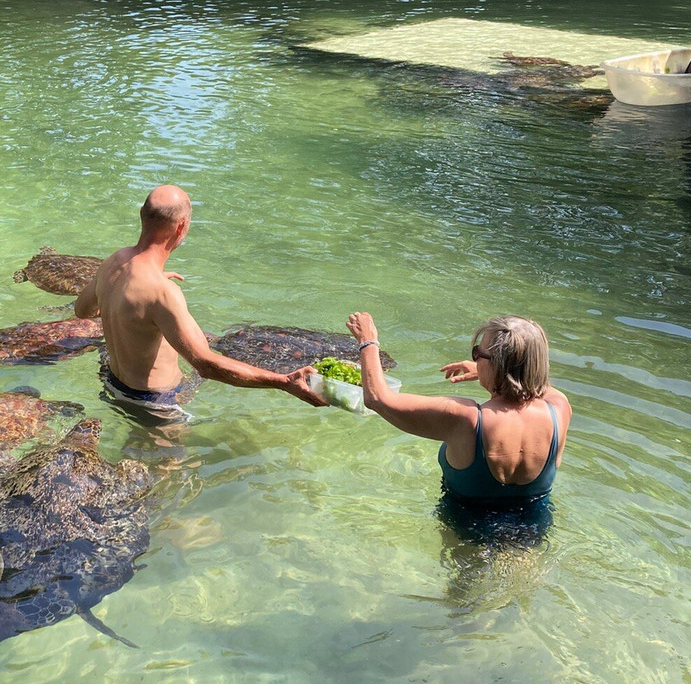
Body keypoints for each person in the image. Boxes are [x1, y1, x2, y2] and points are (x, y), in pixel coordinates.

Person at [74, 185, 325, 417]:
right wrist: (283, 382)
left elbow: (82, 310)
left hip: (112, 384)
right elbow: (205, 365)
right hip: (155, 403)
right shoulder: (162, 293)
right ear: (181, 227)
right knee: (168, 466)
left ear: (142, 215)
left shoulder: (113, 263)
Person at [345, 311, 572, 503]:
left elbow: (377, 398)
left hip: (468, 540)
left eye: (478, 354)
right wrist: (490, 370)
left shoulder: (466, 419)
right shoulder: (559, 411)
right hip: (532, 536)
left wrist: (368, 342)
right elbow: (537, 384)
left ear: (496, 365)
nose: (475, 359)